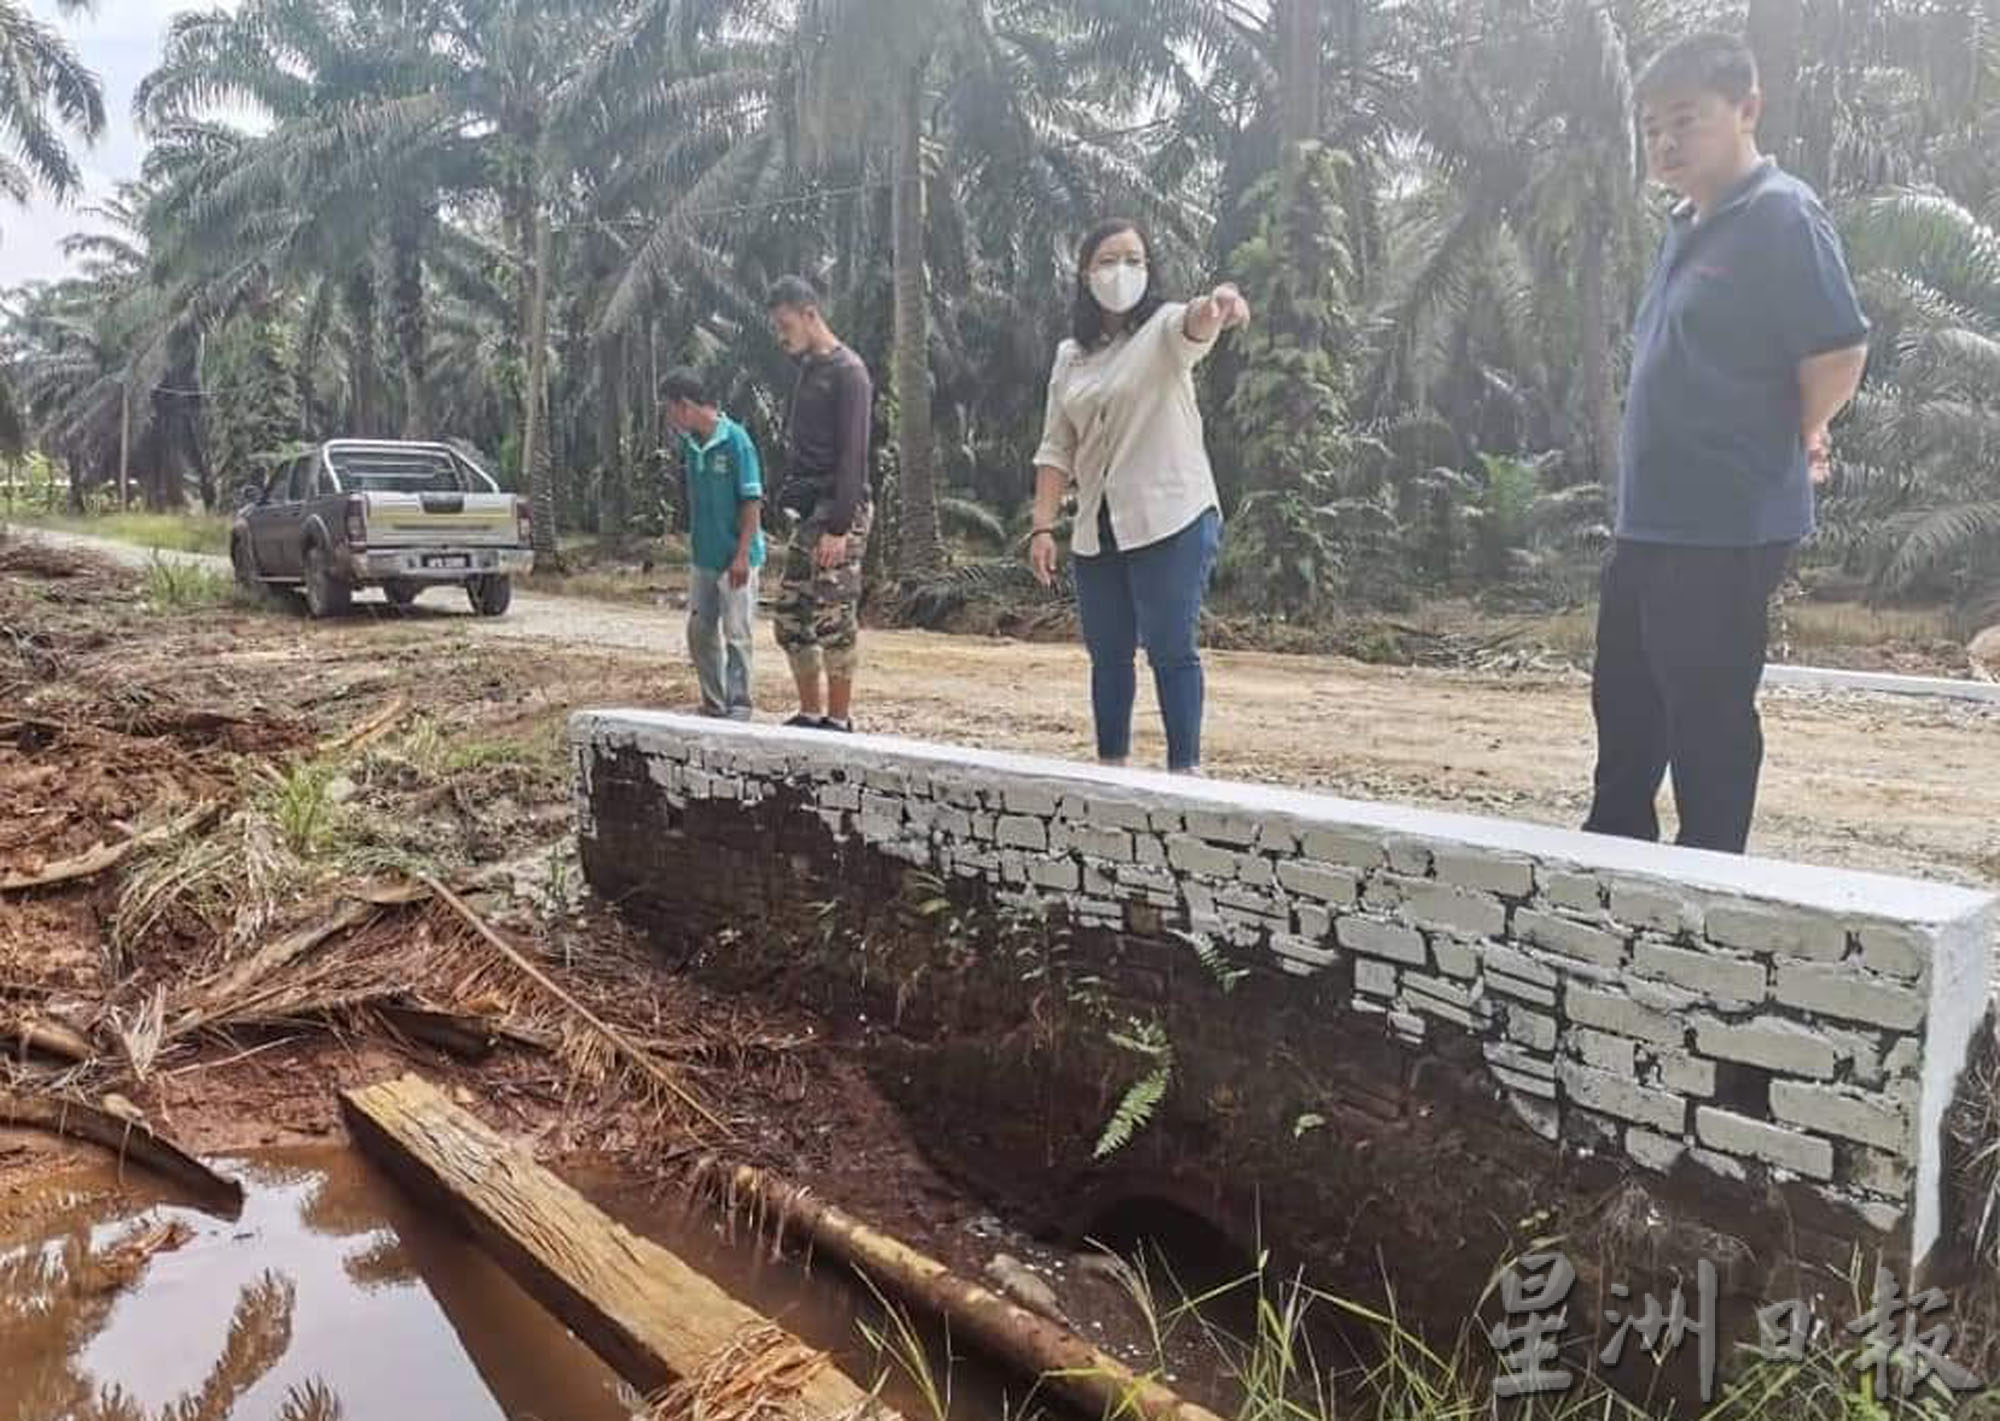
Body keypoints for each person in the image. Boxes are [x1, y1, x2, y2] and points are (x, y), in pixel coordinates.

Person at [1584, 31, 1870, 854]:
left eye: (1686, 120)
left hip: (1723, 521)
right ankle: (1613, 860)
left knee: (1705, 714)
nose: (1667, 142)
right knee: (1626, 701)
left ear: (1747, 110)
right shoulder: (1687, 222)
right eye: (1653, 128)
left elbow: (1840, 349)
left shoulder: (1782, 214)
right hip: (1652, 519)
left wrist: (1794, 428)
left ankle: (1711, 877)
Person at [1026, 220, 1250, 774]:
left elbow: (1197, 324)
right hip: (1097, 526)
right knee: (1107, 656)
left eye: (1133, 258)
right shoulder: (1070, 356)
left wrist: (1219, 302)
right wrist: (1041, 526)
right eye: (1107, 259)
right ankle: (1111, 770)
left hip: (1170, 515)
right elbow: (1057, 446)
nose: (1120, 270)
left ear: (1148, 269)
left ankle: (1184, 776)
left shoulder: (1164, 328)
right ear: (1085, 273)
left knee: (1171, 648)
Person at [767, 275, 874, 733]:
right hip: (808, 512)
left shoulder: (849, 372)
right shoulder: (810, 368)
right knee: (791, 616)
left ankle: (839, 720)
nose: (781, 334)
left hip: (838, 511)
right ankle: (811, 714)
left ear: (810, 314)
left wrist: (838, 526)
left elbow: (854, 453)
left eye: (785, 323)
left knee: (833, 618)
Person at [662, 367, 764, 720]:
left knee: (737, 631)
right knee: (699, 629)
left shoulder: (737, 442)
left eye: (671, 409)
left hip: (737, 555)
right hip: (704, 556)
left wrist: (742, 555)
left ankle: (740, 703)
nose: (671, 418)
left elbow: (751, 502)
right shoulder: (691, 447)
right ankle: (714, 700)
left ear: (685, 406)